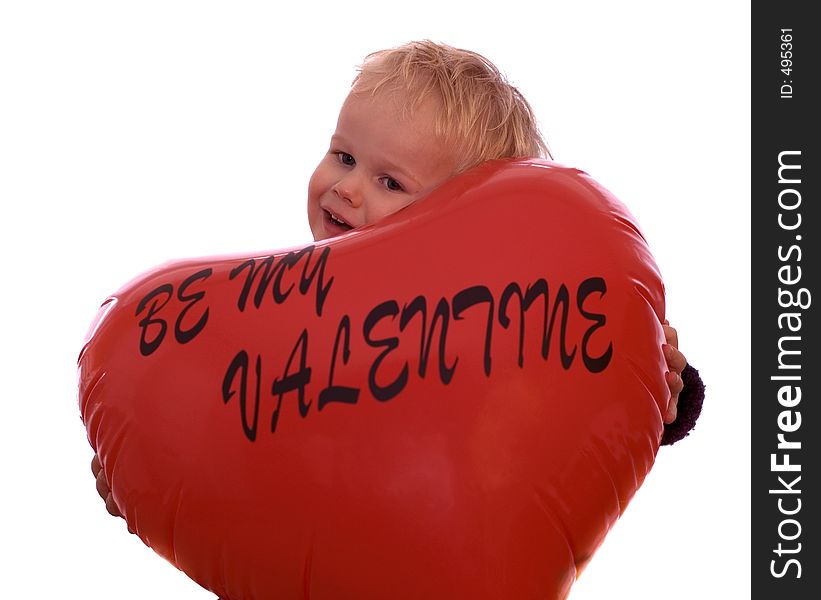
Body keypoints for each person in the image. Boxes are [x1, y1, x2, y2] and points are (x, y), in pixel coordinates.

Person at [91, 40, 704, 595]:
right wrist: (147, 474)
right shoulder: (274, 309)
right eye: (343, 155)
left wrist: (654, 383)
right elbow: (217, 426)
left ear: (460, 222)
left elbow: (555, 407)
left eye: (390, 180)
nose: (347, 189)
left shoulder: (493, 331)